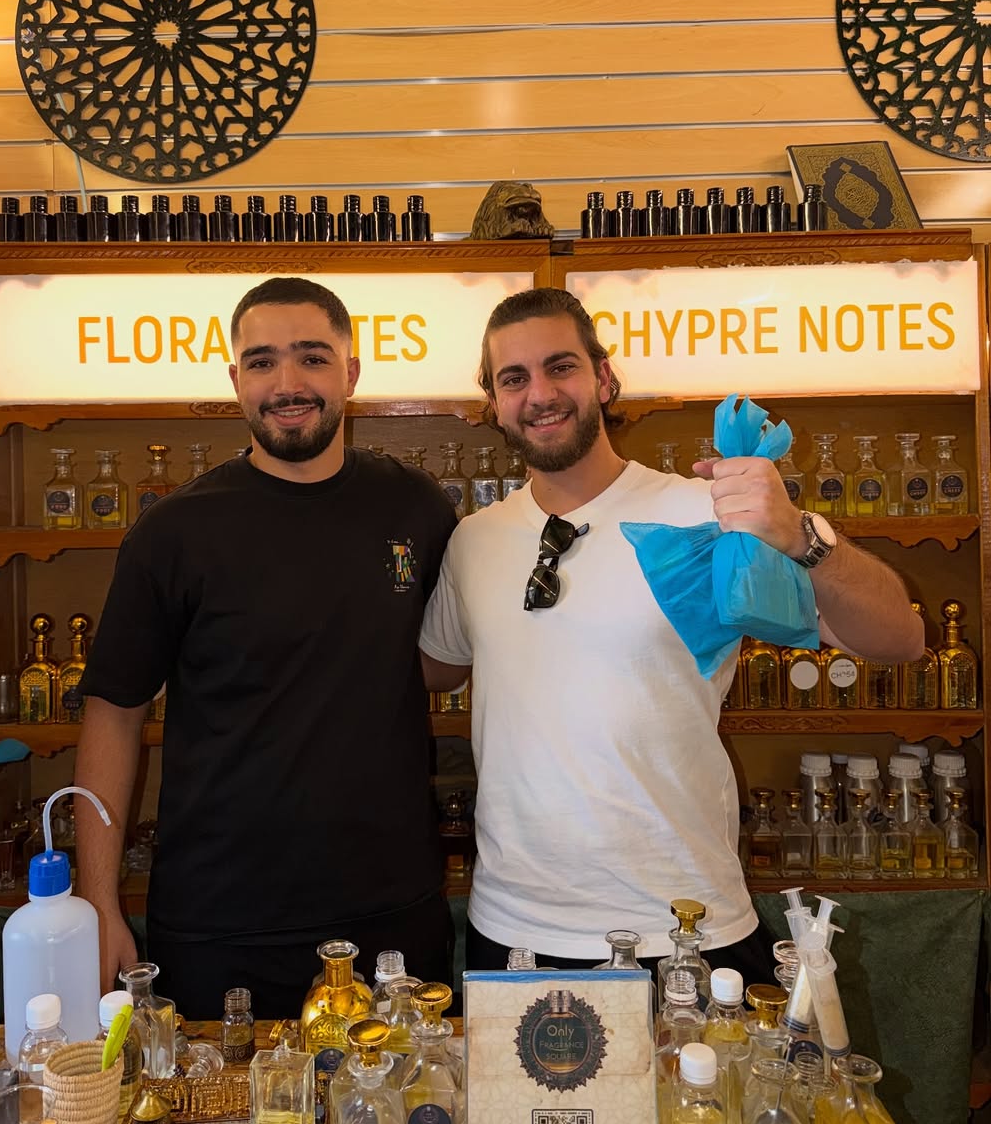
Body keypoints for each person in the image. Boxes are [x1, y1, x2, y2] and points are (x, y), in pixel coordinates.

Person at [420, 287, 924, 976]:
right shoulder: (473, 540)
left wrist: (799, 535)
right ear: (494, 403)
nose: (540, 393)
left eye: (561, 367)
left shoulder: (709, 514)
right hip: (514, 929)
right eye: (514, 378)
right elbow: (438, 666)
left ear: (603, 377)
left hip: (685, 926)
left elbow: (899, 638)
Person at [75, 277, 458, 1018]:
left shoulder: (416, 506)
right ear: (235, 381)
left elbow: (441, 660)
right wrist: (99, 903)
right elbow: (113, 715)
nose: (287, 383)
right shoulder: (173, 533)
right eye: (262, 362)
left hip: (393, 911)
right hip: (220, 920)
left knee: (409, 1094)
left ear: (351, 372)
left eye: (312, 358)